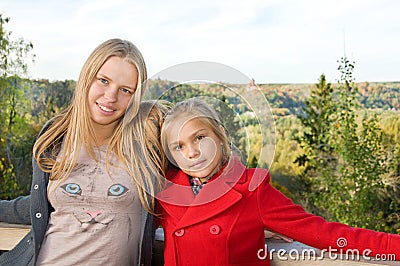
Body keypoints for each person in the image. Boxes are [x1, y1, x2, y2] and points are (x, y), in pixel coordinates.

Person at [156, 98, 400, 265]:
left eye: (199, 138)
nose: (191, 153)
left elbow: (328, 234)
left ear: (220, 136)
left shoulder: (252, 190)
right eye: (178, 146)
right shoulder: (166, 191)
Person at [0, 38, 160, 266]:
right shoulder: (55, 137)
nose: (111, 97)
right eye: (103, 80)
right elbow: (39, 205)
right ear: (87, 77)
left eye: (125, 90)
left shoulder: (145, 143)